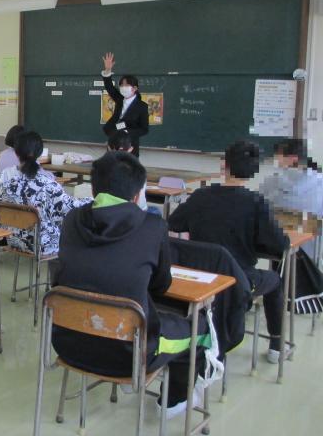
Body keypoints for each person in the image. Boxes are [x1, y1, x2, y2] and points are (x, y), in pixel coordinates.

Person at [54, 151, 209, 416]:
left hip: (67, 344)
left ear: (93, 189)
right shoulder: (152, 227)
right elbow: (160, 286)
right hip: (129, 356)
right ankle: (174, 400)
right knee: (199, 327)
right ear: (138, 195)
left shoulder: (71, 221)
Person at [168, 140, 290, 363]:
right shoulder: (255, 203)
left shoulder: (201, 196)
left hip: (200, 279)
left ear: (224, 165)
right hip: (238, 281)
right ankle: (276, 346)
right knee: (275, 280)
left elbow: (174, 223)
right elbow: (281, 245)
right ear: (254, 171)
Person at [0, 131, 92, 258]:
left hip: (13, 239)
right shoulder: (47, 184)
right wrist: (93, 199)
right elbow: (69, 208)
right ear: (40, 153)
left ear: (16, 152)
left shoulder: (6, 180)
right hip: (42, 245)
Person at [259, 138, 323, 313]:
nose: (275, 160)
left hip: (275, 249)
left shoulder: (271, 182)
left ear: (292, 158)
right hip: (311, 256)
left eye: (278, 156)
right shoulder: (320, 183)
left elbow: (258, 208)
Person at [100, 52, 149, 156]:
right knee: (111, 163)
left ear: (135, 88)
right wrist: (108, 70)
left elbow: (144, 129)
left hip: (129, 145)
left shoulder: (142, 106)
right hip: (113, 140)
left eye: (126, 85)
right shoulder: (119, 99)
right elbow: (109, 87)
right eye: (121, 85)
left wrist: (127, 132)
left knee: (127, 165)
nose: (123, 87)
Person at [107, 131, 148, 212]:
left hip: (107, 214)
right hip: (135, 213)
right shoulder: (139, 170)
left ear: (108, 147)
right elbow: (139, 204)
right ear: (130, 149)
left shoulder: (101, 169)